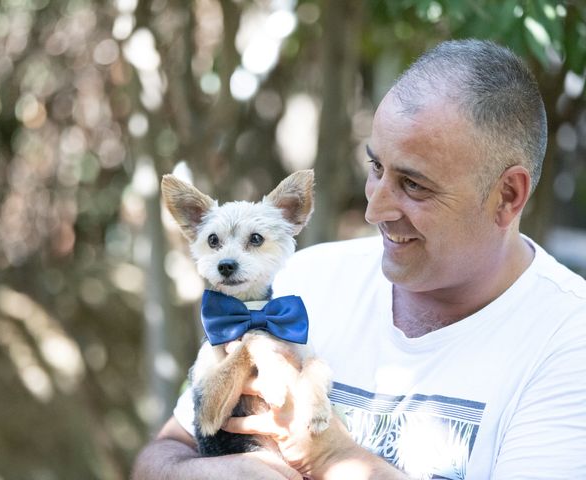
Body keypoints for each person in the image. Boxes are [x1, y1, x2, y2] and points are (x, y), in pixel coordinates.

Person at [131, 39, 586, 480]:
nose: (374, 210)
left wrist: (332, 457)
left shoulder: (568, 341)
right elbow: (162, 458)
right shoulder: (301, 277)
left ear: (507, 195)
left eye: (414, 185)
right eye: (376, 168)